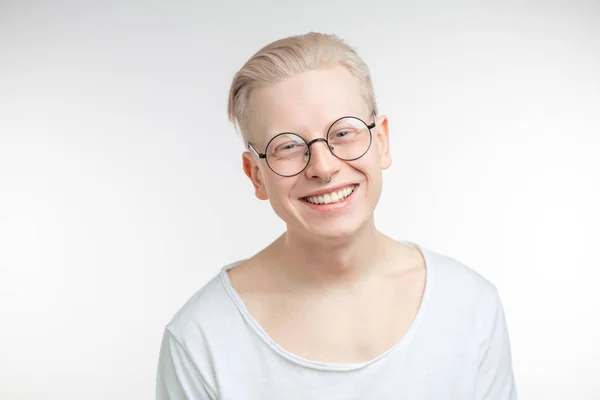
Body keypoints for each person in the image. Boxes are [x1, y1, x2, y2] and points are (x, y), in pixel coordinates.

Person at [155, 32, 517, 400]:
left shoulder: (469, 305)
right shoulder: (201, 339)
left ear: (382, 143)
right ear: (256, 175)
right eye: (288, 147)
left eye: (343, 132)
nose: (323, 167)